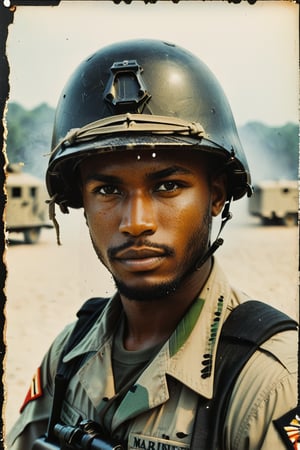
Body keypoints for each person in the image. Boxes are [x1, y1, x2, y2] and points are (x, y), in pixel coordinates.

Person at [7, 39, 297, 450]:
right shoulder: (70, 353)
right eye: (108, 189)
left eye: (167, 185)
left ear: (216, 196)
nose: (136, 223)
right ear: (81, 203)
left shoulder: (268, 383)